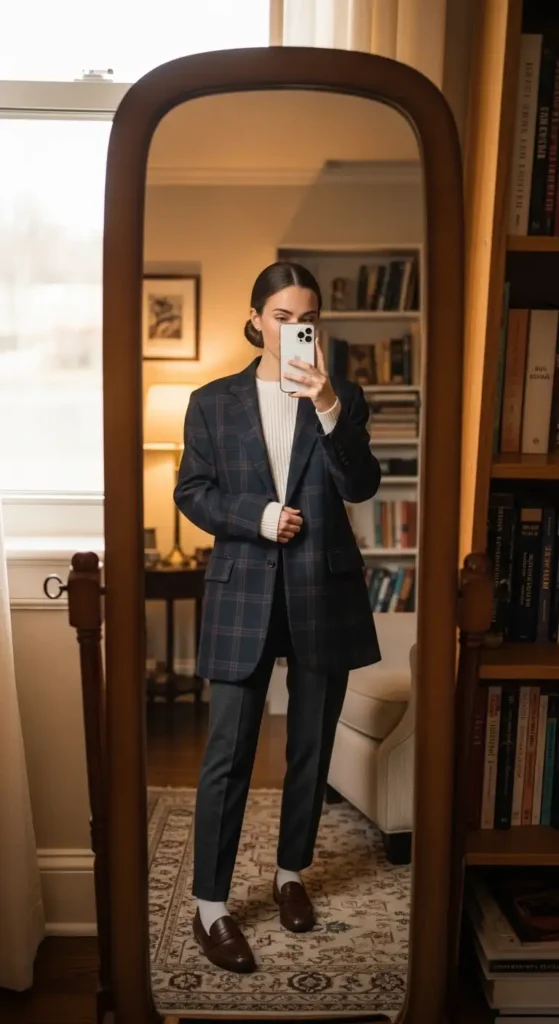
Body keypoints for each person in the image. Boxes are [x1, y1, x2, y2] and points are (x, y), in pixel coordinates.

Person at [174, 261, 382, 974]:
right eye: (284, 315)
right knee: (226, 753)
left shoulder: (341, 395)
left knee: (308, 751)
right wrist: (258, 518)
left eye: (308, 318)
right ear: (257, 317)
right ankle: (211, 905)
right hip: (241, 596)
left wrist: (327, 407)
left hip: (320, 593)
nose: (297, 327)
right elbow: (192, 493)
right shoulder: (211, 402)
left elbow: (359, 483)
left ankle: (290, 875)